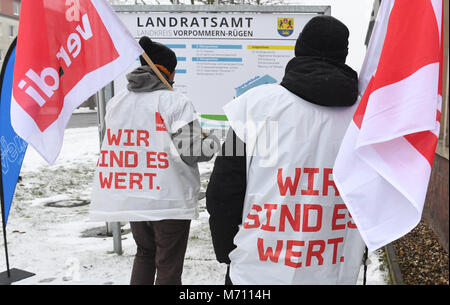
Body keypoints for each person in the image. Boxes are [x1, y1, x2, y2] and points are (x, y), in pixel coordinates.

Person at [206, 16, 366, 285]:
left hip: (257, 271)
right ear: (343, 56)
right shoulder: (362, 118)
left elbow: (223, 189)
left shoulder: (255, 107)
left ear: (299, 49)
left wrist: (227, 252)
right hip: (333, 269)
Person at [90, 36, 219, 285]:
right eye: (174, 73)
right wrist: (212, 139)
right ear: (168, 72)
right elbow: (194, 152)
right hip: (168, 200)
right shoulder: (175, 102)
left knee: (145, 254)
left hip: (136, 196)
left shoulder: (117, 103)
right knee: (168, 266)